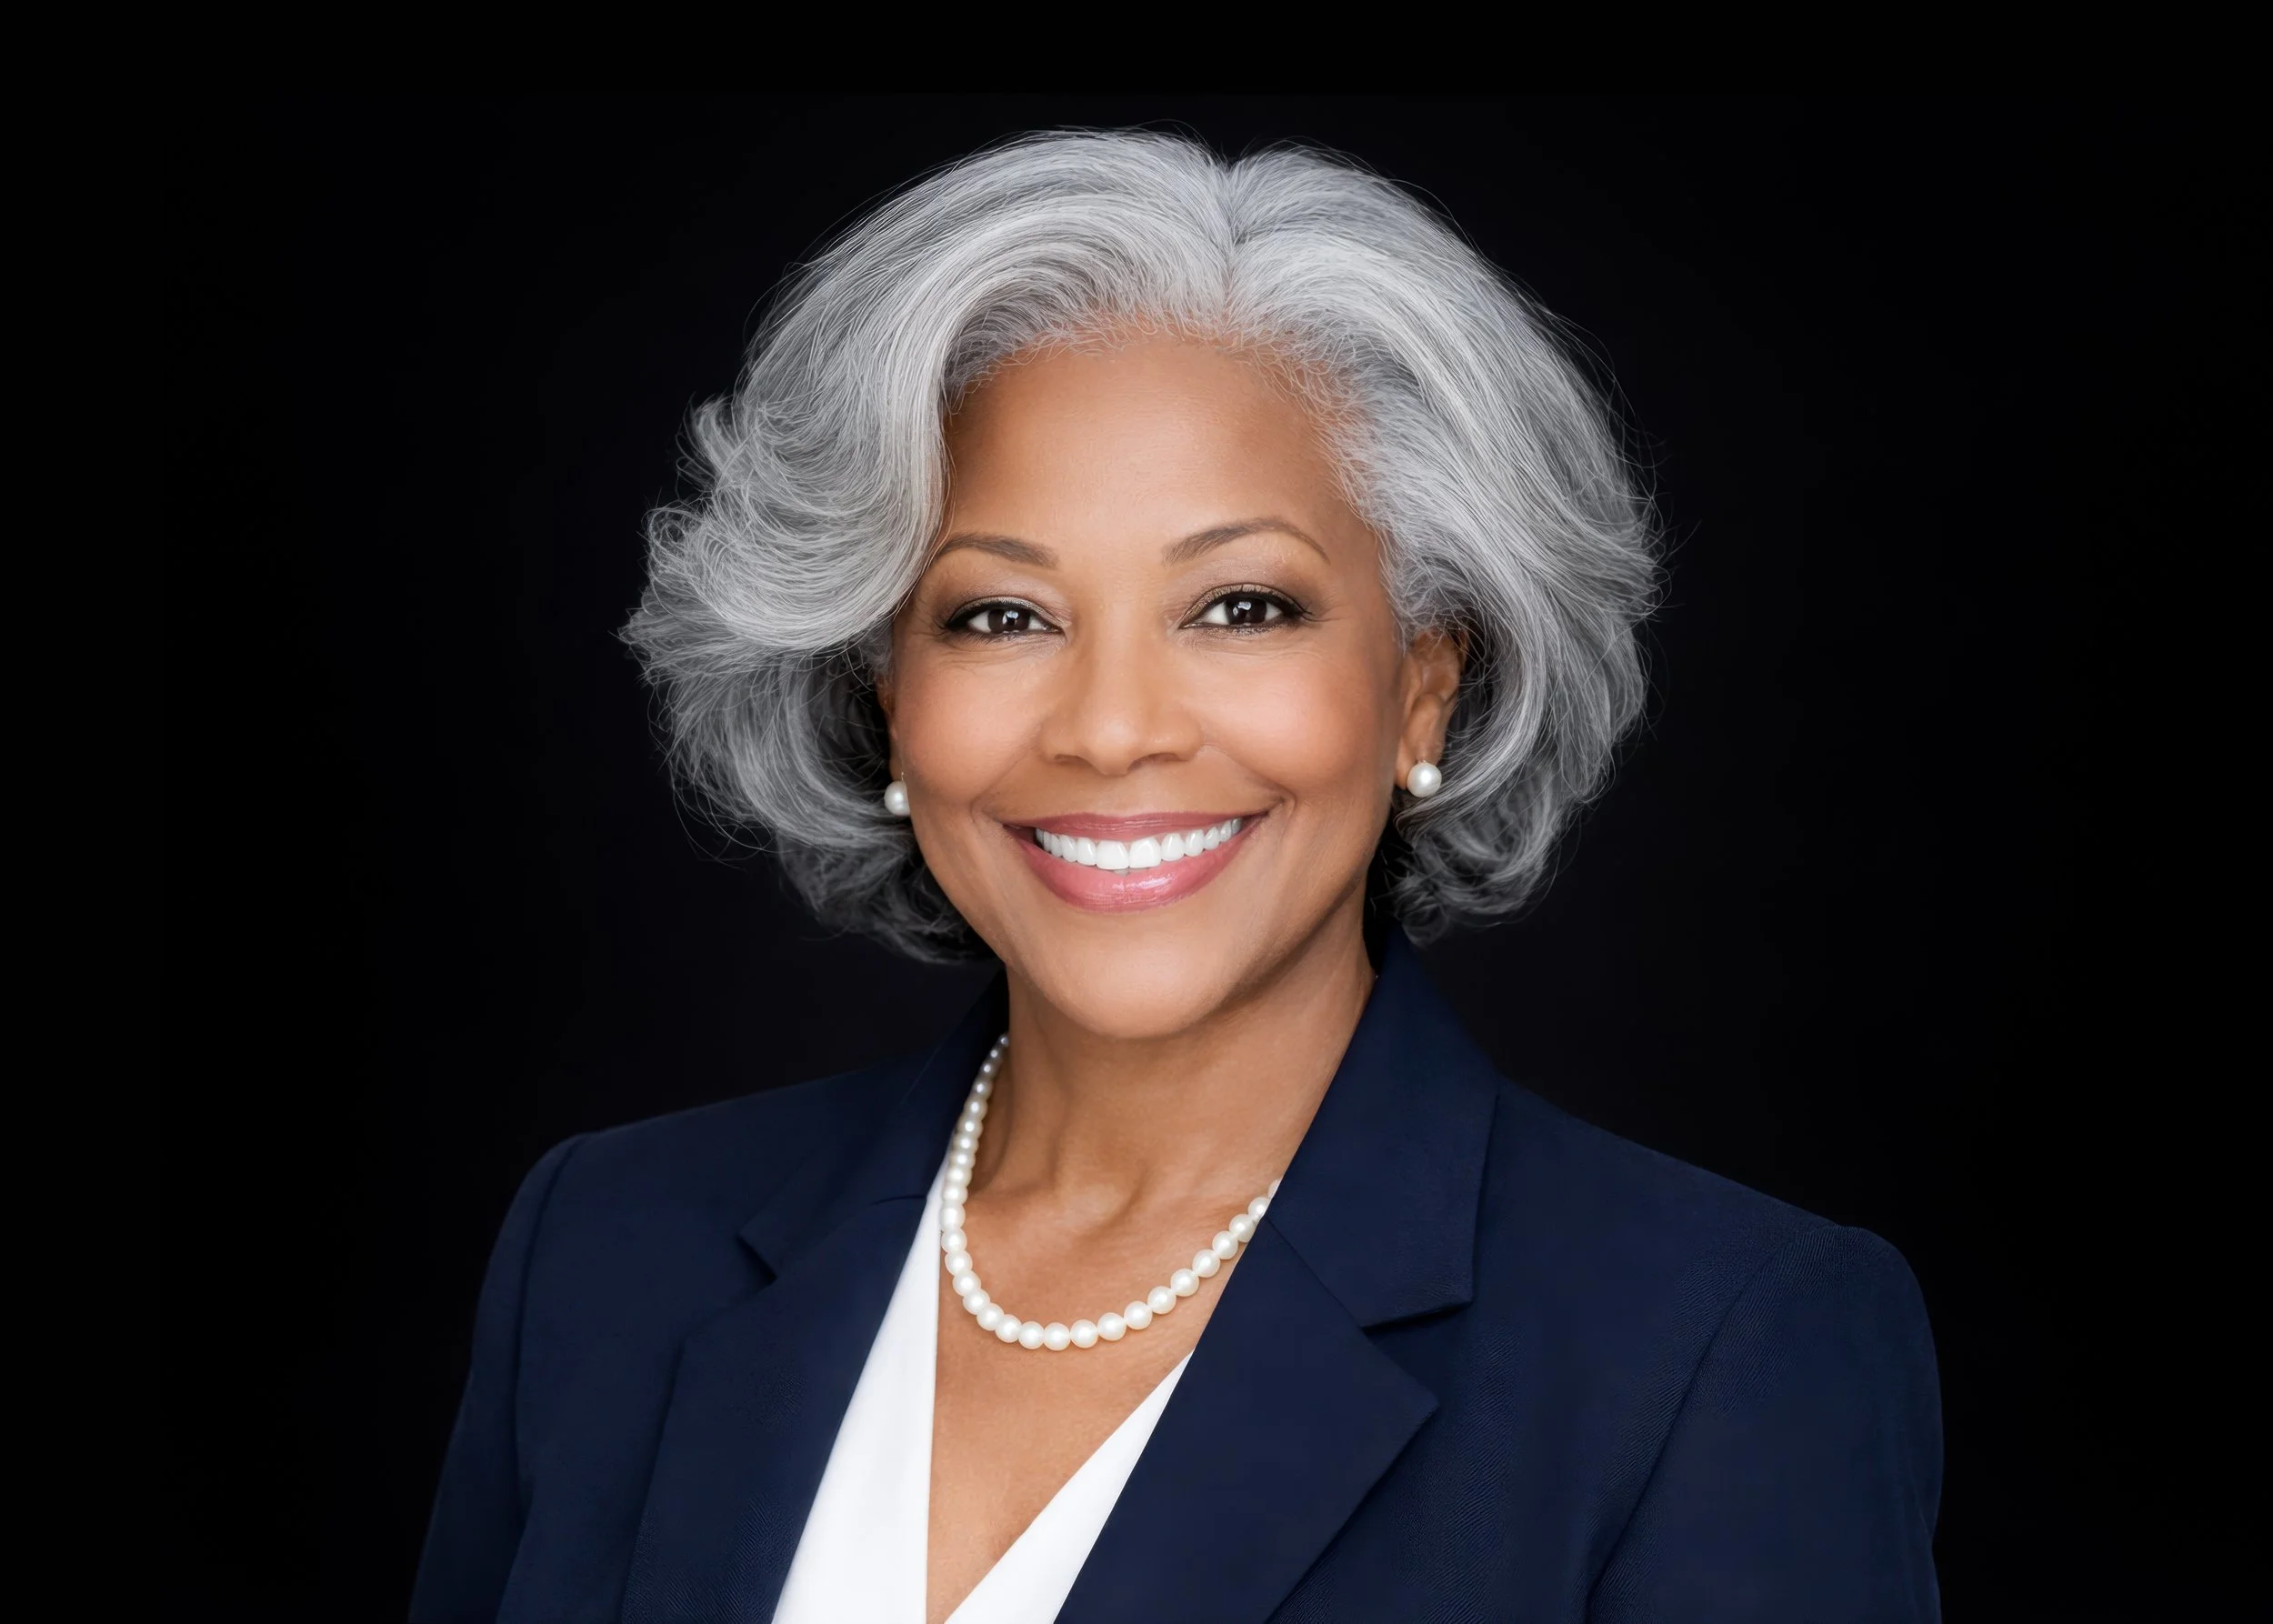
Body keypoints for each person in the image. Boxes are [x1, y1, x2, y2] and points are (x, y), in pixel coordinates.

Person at [411, 131, 1941, 1623]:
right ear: (885, 689)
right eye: (1001, 616)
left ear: (1423, 684)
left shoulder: (1720, 1347)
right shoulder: (608, 1251)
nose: (1114, 727)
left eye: (1242, 604)